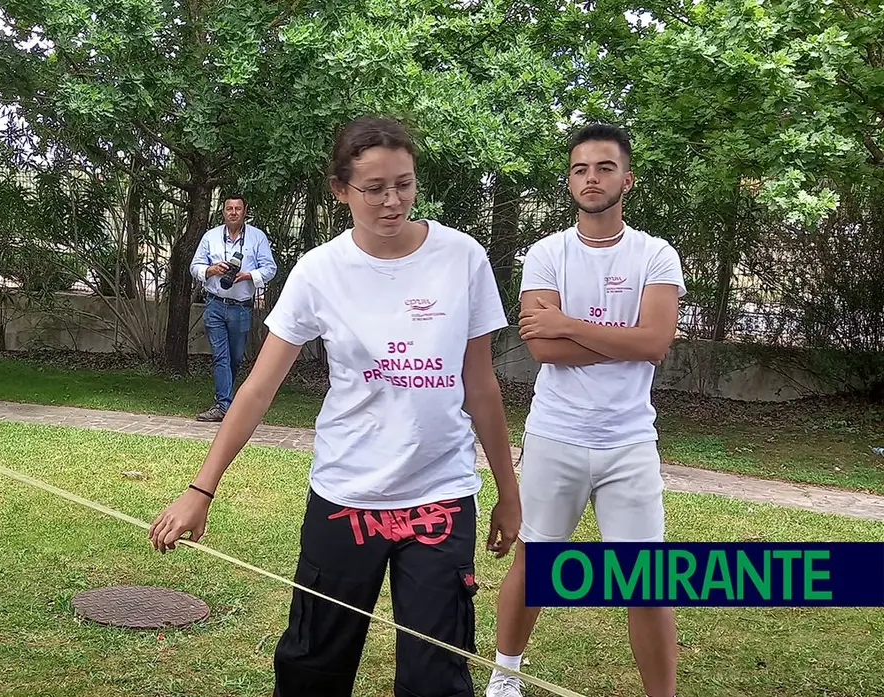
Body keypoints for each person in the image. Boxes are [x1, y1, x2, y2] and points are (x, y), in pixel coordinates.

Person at [151, 115, 521, 697]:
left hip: (440, 499)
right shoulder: (319, 272)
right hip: (346, 498)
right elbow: (257, 389)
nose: (393, 201)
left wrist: (508, 489)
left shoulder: (462, 258)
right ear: (340, 189)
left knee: (437, 680)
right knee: (312, 667)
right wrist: (201, 489)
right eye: (374, 188)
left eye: (404, 183)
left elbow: (480, 385)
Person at [484, 123, 685, 697]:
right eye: (579, 169)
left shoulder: (655, 253)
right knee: (536, 565)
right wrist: (617, 336)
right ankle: (506, 677)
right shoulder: (547, 253)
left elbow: (654, 344)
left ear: (627, 178)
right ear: (570, 180)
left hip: (629, 442)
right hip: (556, 434)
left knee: (647, 582)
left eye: (603, 168)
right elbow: (542, 349)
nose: (591, 178)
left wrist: (570, 324)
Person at [189, 195, 278, 422]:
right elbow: (195, 266)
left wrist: (247, 275)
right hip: (215, 304)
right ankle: (223, 405)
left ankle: (227, 401)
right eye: (229, 208)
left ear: (244, 211)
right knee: (220, 356)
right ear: (223, 211)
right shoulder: (211, 237)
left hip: (241, 307)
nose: (234, 212)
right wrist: (211, 270)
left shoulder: (257, 238)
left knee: (235, 357)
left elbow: (270, 268)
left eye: (238, 208)